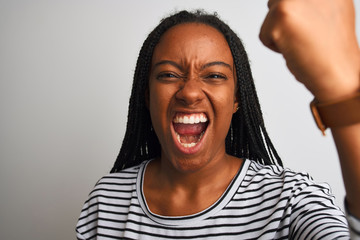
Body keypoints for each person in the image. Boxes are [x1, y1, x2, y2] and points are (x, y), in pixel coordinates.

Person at [76, 0, 360, 239]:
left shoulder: (290, 201)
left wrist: (341, 91)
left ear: (237, 98)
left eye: (214, 75)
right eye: (168, 75)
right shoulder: (106, 201)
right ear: (147, 96)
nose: (189, 92)